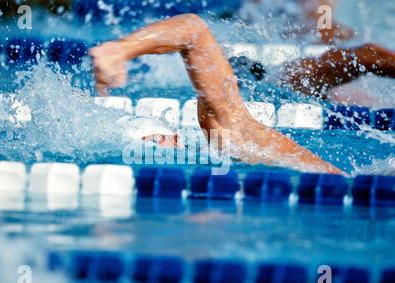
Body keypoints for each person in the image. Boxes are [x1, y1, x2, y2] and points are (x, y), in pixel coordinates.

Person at [89, 14, 394, 174]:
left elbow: (193, 32)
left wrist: (122, 49)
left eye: (153, 143)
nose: (158, 148)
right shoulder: (230, 144)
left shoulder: (235, 134)